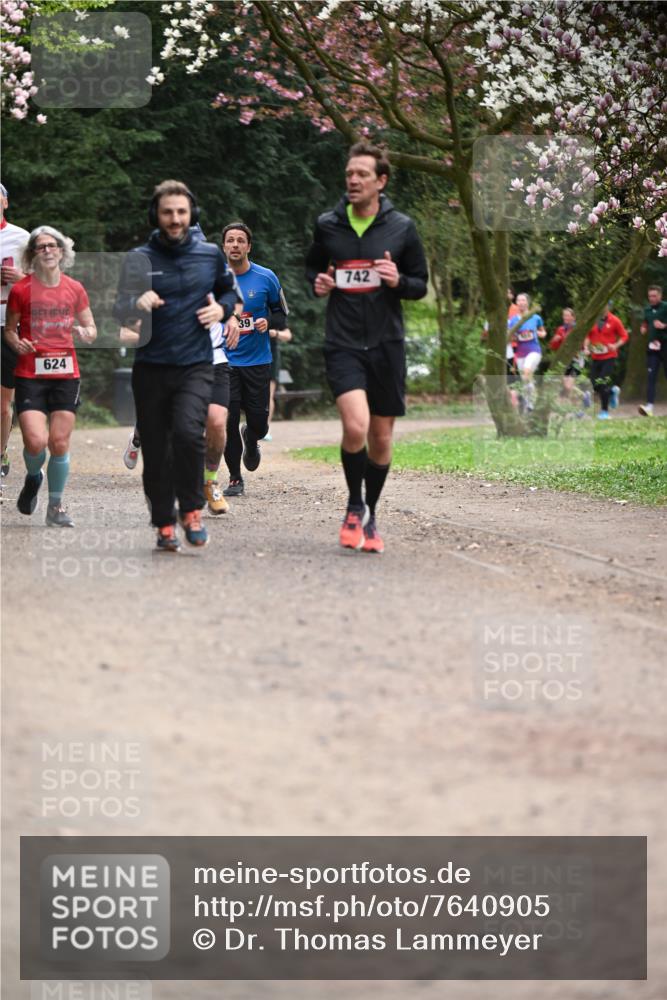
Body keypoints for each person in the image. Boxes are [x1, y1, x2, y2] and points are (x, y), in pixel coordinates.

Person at [305, 140, 428, 553]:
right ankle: (354, 506)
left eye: (362, 174)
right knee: (355, 426)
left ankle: (371, 514)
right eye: (349, 174)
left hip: (386, 345)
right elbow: (312, 267)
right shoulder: (328, 225)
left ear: (381, 181)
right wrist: (319, 282)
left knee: (380, 438)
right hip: (342, 342)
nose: (353, 180)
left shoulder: (402, 228)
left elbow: (420, 284)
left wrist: (398, 281)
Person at [113, 180, 239, 550]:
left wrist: (222, 310)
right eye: (167, 212)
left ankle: (192, 511)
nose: (175, 218)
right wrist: (136, 303)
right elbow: (118, 307)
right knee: (156, 450)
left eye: (181, 212)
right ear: (156, 214)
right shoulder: (138, 258)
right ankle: (164, 523)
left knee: (187, 434)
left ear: (191, 214)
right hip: (151, 366)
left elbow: (229, 292)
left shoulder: (210, 255)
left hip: (195, 364)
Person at [3, 226, 96, 525]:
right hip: (30, 373)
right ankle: (34, 477)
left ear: (62, 251)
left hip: (66, 374)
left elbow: (91, 328)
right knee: (34, 441)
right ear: (31, 254)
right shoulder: (21, 290)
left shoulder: (74, 288)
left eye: (52, 245)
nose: (47, 250)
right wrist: (17, 343)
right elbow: (9, 330)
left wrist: (85, 332)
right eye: (40, 246)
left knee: (58, 442)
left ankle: (55, 507)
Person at [221, 222, 288, 497]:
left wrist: (267, 321)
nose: (235, 245)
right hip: (224, 362)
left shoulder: (266, 277)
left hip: (257, 361)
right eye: (230, 240)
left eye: (240, 240)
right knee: (227, 421)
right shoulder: (214, 279)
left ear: (249, 246)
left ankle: (251, 437)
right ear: (224, 246)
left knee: (259, 424)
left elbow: (281, 315)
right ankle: (235, 478)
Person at [0, 183, 30, 485]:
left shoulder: (22, 239)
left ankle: (1, 452)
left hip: (7, 325)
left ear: (5, 203)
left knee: (3, 404)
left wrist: (22, 278)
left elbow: (46, 283)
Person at [583, 302, 628, 420]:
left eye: (605, 305)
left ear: (608, 306)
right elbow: (587, 336)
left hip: (609, 357)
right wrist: (586, 347)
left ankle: (604, 412)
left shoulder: (615, 320)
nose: (602, 306)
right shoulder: (593, 320)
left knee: (602, 382)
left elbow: (624, 336)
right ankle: (612, 392)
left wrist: (615, 345)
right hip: (595, 357)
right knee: (594, 384)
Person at [508, 292, 546, 412]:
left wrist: (538, 333)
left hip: (534, 351)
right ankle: (530, 406)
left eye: (523, 300)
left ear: (528, 302)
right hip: (520, 353)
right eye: (518, 300)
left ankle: (530, 404)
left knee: (527, 370)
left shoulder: (536, 318)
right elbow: (511, 338)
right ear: (516, 303)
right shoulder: (513, 321)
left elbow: (543, 333)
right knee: (526, 379)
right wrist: (514, 337)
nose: (521, 302)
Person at [638, 285, 667, 416]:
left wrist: (664, 325)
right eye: (650, 296)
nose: (652, 298)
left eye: (654, 296)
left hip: (665, 346)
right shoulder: (647, 309)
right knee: (651, 376)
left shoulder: (665, 307)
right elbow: (646, 321)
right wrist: (643, 327)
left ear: (660, 296)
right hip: (653, 348)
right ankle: (649, 407)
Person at [265, 325, 293, 439]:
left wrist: (276, 333)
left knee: (268, 395)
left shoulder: (277, 315)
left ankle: (265, 429)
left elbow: (288, 335)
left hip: (271, 355)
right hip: (248, 354)